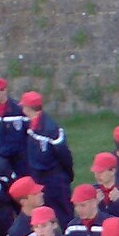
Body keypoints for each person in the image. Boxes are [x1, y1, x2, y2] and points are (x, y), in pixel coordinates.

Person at [20, 91, 75, 226]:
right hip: (40, 177)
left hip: (54, 178)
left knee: (64, 215)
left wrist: (66, 175)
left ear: (28, 108)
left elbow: (64, 155)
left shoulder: (50, 129)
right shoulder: (32, 124)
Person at [0, 76, 29, 175]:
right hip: (2, 156)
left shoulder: (19, 109)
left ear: (4, 91)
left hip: (20, 157)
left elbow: (28, 131)